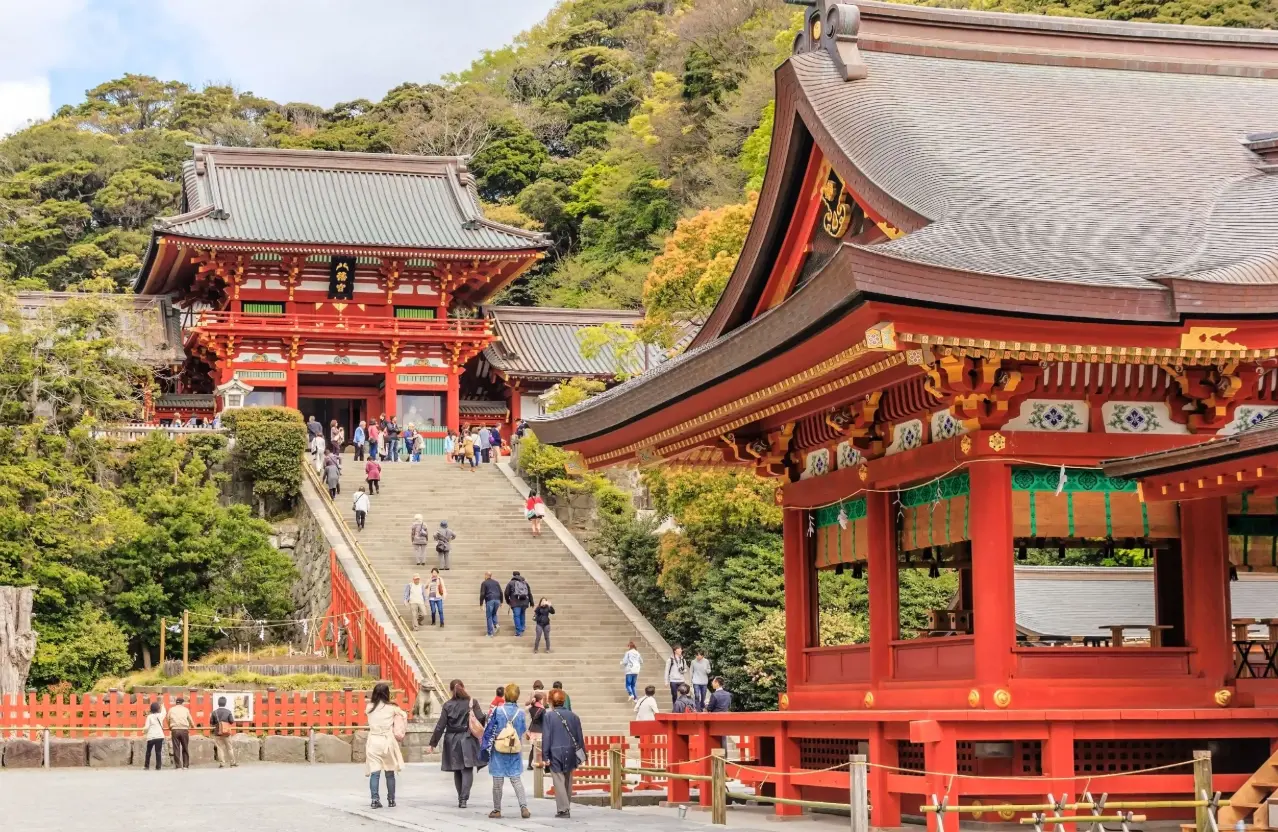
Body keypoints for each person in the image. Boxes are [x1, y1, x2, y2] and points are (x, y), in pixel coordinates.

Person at [429, 680, 488, 809]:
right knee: (467, 768)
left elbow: (440, 726)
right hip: (467, 738)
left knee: (457, 769)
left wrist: (433, 743)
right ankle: (464, 798)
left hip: (452, 739)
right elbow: (480, 720)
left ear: (451, 690)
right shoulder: (472, 702)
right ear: (464, 688)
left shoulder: (447, 705)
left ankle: (460, 797)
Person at [482, 683, 530, 819]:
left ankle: (497, 810)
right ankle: (524, 807)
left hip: (499, 748)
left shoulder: (498, 710)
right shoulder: (520, 713)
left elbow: (490, 729)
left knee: (497, 781)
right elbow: (521, 731)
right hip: (513, 748)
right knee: (516, 779)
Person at [541, 688, 585, 818]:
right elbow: (579, 737)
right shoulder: (574, 716)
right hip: (571, 750)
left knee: (558, 780)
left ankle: (563, 809)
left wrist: (545, 755)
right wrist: (582, 754)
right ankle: (566, 806)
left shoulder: (549, 716)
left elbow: (546, 737)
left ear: (551, 702)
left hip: (555, 751)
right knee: (568, 780)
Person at [365, 681, 406, 809]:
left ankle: (374, 800)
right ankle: (391, 799)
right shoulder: (392, 708)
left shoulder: (369, 707)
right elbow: (404, 715)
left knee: (375, 772)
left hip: (373, 740)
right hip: (387, 741)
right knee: (390, 771)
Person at [167, 695, 193, 769]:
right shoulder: (185, 709)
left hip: (175, 730)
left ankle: (178, 766)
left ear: (176, 703)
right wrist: (193, 726)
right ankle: (185, 765)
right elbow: (190, 719)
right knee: (185, 747)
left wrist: (169, 726)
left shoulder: (171, 709)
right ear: (182, 703)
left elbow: (167, 718)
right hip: (184, 730)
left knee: (176, 748)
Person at [210, 695, 236, 767]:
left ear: (218, 703)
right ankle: (232, 762)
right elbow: (231, 721)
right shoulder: (228, 712)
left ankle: (222, 763)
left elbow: (211, 722)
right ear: (225, 703)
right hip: (226, 732)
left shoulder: (214, 712)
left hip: (217, 732)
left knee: (220, 748)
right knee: (229, 748)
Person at [504, 571, 533, 637]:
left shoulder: (511, 583)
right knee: (522, 614)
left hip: (515, 602)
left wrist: (508, 601)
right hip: (525, 602)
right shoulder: (525, 582)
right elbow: (529, 593)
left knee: (516, 616)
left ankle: (518, 632)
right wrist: (531, 602)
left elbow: (506, 593)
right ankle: (522, 628)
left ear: (513, 575)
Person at [143, 701, 166, 770]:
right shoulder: (160, 716)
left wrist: (143, 731)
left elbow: (146, 727)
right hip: (159, 736)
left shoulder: (149, 717)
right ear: (158, 709)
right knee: (158, 752)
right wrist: (163, 706)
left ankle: (146, 766)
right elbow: (164, 712)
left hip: (151, 736)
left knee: (148, 752)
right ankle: (158, 766)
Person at [526, 691, 546, 771]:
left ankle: (529, 764)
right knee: (541, 748)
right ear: (539, 700)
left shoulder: (531, 709)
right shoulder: (542, 710)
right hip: (540, 730)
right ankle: (542, 763)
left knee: (533, 748)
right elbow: (544, 721)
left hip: (532, 730)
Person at [480, 571, 502, 636]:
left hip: (490, 600)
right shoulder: (496, 582)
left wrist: (481, 603)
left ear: (487, 575)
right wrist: (501, 601)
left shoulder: (484, 583)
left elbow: (482, 594)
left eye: (485, 575)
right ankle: (496, 624)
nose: (484, 576)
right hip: (497, 600)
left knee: (489, 616)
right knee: (494, 613)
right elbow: (500, 592)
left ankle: (490, 633)